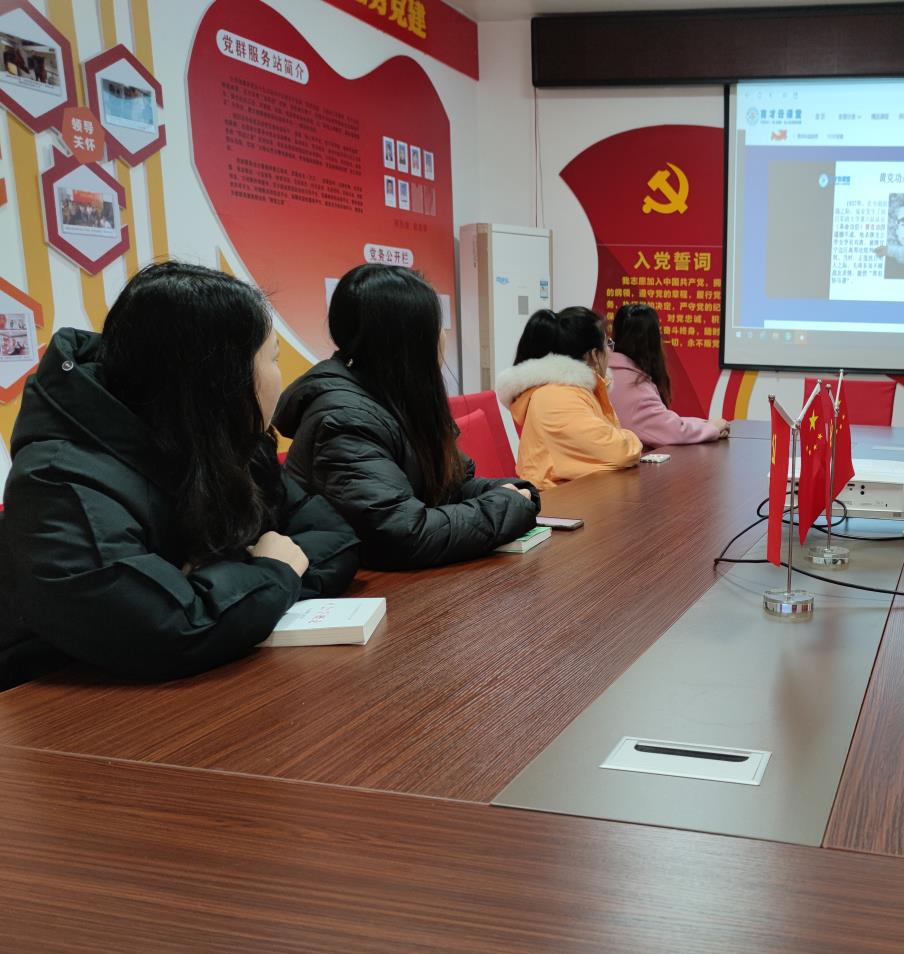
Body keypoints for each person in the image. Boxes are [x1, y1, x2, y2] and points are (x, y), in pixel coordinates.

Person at [0, 262, 359, 687]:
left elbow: (335, 538)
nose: (282, 376)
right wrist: (272, 572)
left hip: (204, 680)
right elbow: (165, 630)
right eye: (273, 358)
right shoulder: (58, 480)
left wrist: (247, 583)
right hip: (69, 703)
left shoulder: (226, 440)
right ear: (220, 380)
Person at [274, 264, 540, 570]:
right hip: (368, 588)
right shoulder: (344, 417)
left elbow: (449, 488)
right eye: (436, 326)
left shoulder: (394, 396)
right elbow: (402, 534)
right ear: (410, 341)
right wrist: (505, 505)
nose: (442, 336)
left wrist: (514, 492)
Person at [496, 306, 643, 490]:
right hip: (554, 501)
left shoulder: (570, 391)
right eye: (607, 344)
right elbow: (620, 451)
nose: (609, 351)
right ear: (593, 355)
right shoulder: (558, 397)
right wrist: (631, 439)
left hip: (571, 495)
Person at [606, 302, 728, 447]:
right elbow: (673, 431)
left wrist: (706, 424)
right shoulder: (634, 385)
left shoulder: (609, 372)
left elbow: (662, 421)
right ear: (652, 340)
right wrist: (712, 428)